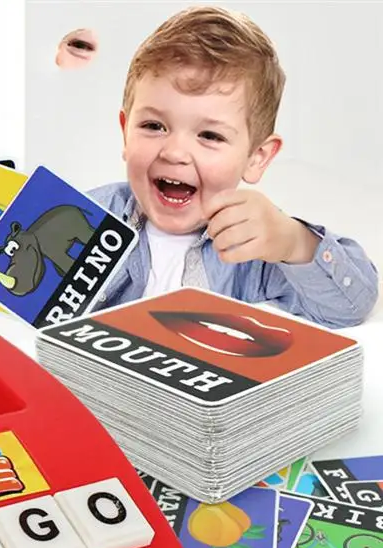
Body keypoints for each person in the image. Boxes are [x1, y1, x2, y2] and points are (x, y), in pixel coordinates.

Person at [87, 5, 378, 329]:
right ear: (125, 132)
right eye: (154, 126)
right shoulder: (89, 216)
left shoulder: (255, 244)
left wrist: (294, 241)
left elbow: (350, 307)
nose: (175, 152)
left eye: (209, 135)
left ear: (256, 157)